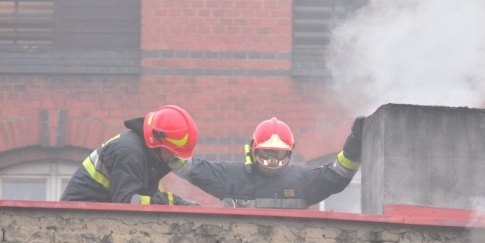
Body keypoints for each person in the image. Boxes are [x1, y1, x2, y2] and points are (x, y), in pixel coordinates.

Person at [172, 116, 365, 209]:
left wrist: (354, 145)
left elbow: (337, 176)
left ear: (290, 153)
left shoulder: (302, 180)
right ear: (253, 149)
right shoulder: (230, 176)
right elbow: (192, 169)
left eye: (279, 156)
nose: (272, 162)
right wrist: (163, 149)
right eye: (266, 154)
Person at [60, 105, 201, 205]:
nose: (173, 159)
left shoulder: (148, 156)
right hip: (78, 222)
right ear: (157, 142)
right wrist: (174, 203)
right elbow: (128, 202)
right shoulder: (129, 154)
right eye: (172, 153)